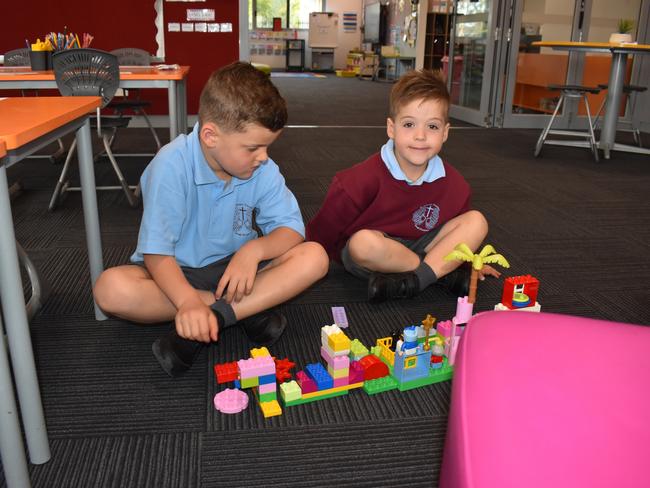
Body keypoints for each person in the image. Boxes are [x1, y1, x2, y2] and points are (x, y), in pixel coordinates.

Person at [94, 61, 329, 377]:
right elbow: (157, 254)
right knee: (111, 289)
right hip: (177, 272)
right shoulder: (171, 166)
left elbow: (291, 230)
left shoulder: (260, 167)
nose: (263, 157)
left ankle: (218, 316)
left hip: (235, 271)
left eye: (267, 147)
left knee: (315, 257)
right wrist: (187, 301)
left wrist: (253, 250)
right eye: (253, 148)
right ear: (210, 136)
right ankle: (247, 311)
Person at [306, 69, 498, 303]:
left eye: (433, 127)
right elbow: (323, 231)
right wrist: (312, 264)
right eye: (409, 124)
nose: (420, 136)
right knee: (362, 244)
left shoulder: (454, 183)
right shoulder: (358, 180)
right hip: (381, 254)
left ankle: (414, 281)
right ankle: (436, 275)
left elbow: (458, 231)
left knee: (476, 221)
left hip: (425, 244)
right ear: (391, 128)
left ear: (445, 133)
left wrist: (470, 261)